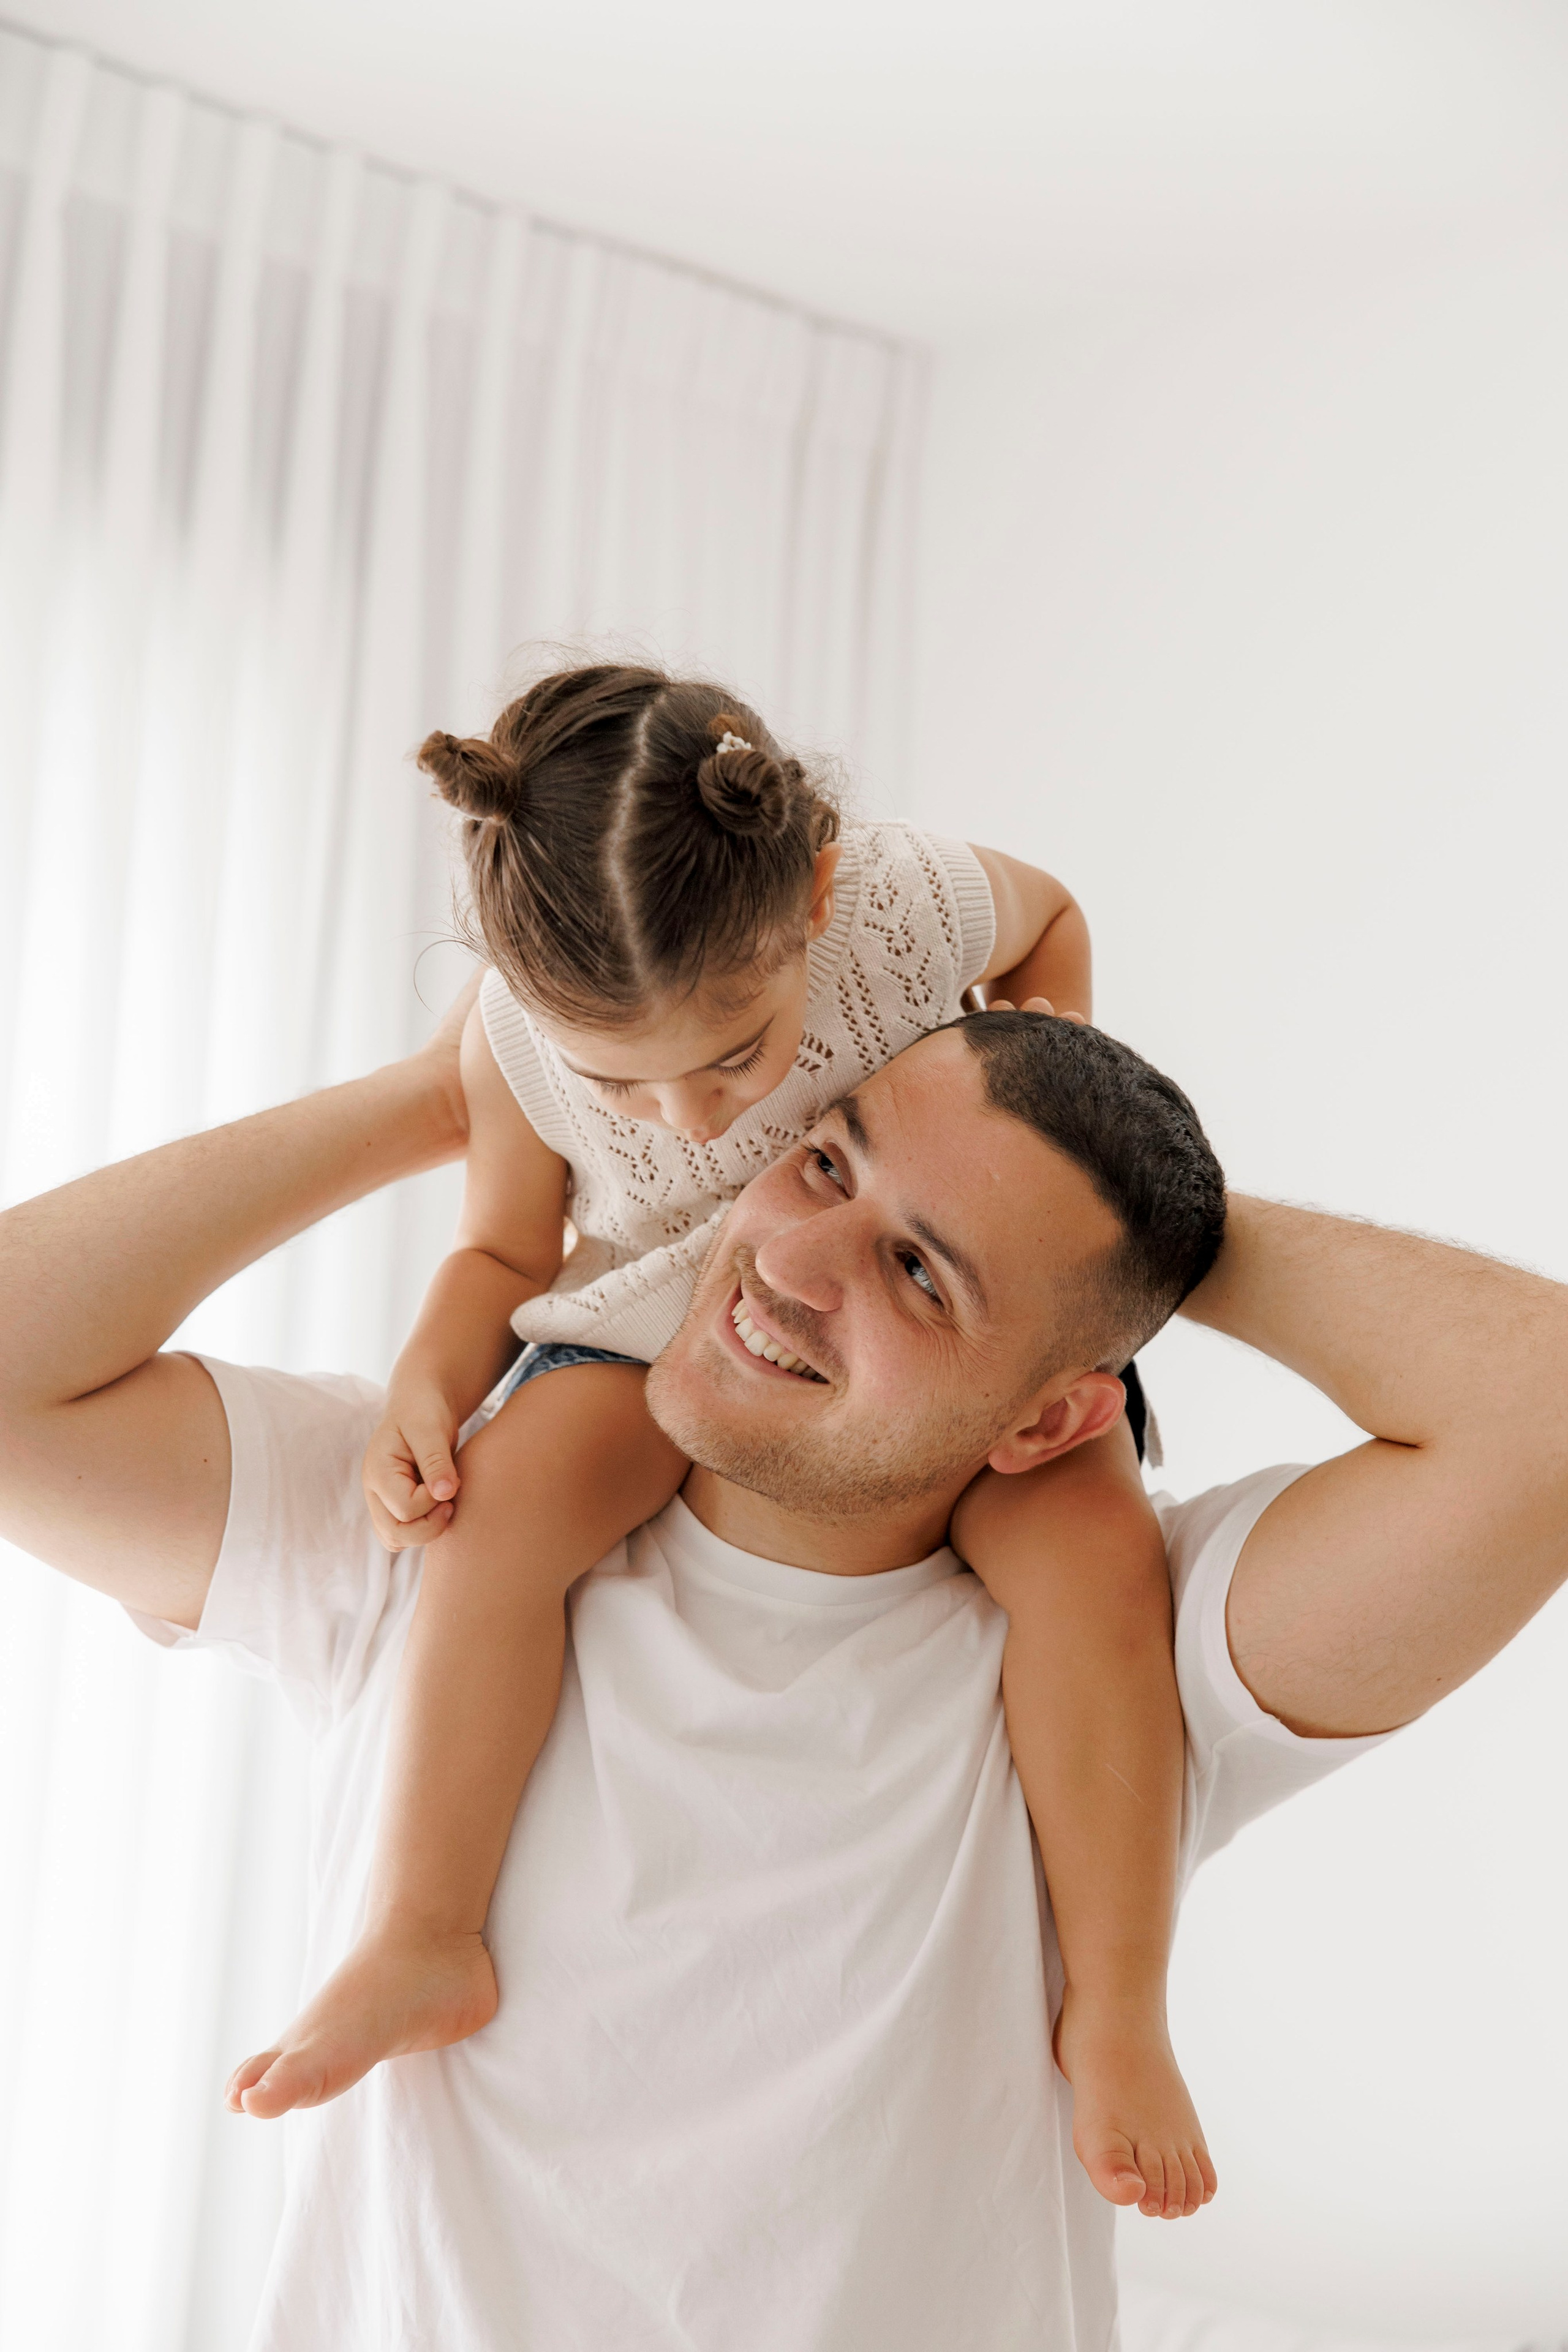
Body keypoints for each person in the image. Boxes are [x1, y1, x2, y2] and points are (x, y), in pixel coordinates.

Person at [2, 997, 1566, 2352]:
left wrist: (1144, 1233)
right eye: (825, 1159)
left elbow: (1542, 1420)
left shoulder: (1120, 1662)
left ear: (1048, 1421)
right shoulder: (428, 1509)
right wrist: (466, 1093)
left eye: (919, 1274)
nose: (793, 1260)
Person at [228, 658, 1208, 2219]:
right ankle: (422, 1928)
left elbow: (1051, 919)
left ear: (813, 895)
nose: (683, 1119)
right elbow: (500, 1249)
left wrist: (1028, 1104)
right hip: (652, 1313)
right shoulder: (512, 1033)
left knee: (1096, 1559)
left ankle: (1118, 2007)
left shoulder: (897, 902)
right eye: (624, 1079)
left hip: (900, 1282)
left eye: (735, 1055)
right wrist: (431, 1374)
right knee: (506, 1507)